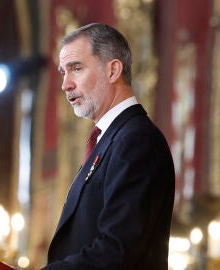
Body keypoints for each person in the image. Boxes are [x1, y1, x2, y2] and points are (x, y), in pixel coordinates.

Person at [41, 23, 175, 269]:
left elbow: (117, 250)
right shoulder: (111, 138)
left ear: (113, 70)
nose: (65, 85)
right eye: (63, 72)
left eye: (76, 69)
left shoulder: (137, 140)